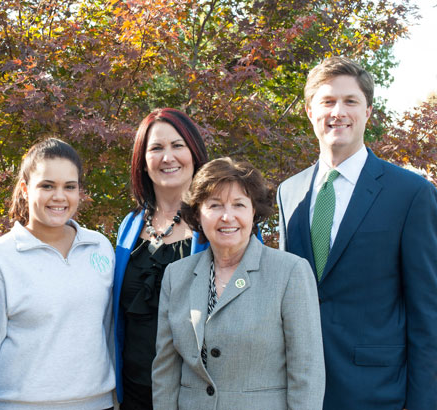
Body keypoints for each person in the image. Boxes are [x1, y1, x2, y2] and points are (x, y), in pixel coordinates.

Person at [277, 56, 437, 410]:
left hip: (378, 392)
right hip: (299, 389)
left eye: (351, 101)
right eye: (328, 101)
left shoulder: (410, 194)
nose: (339, 112)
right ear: (309, 111)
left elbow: (428, 312)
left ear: (367, 112)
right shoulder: (289, 192)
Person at [152, 157, 325, 410]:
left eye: (239, 205)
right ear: (199, 213)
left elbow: (307, 374)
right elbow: (165, 372)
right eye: (215, 205)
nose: (227, 216)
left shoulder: (290, 272)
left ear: (253, 211)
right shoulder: (176, 276)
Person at [0, 138, 115, 410]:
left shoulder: (100, 246)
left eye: (69, 186)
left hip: (97, 403)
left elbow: (110, 329)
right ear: (25, 190)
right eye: (46, 186)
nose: (59, 196)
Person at [113, 108, 210, 409]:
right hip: (134, 393)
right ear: (142, 162)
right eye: (156, 148)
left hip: (198, 393)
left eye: (177, 145)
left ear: (194, 152)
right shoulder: (129, 228)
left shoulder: (219, 223)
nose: (168, 157)